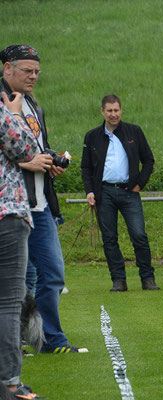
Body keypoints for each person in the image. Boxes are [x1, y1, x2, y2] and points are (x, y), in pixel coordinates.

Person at [1, 44, 85, 355]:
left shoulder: (34, 105)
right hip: (9, 206)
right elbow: (11, 151)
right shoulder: (1, 102)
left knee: (52, 274)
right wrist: (27, 163)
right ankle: (13, 342)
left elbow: (37, 146)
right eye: (27, 70)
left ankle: (50, 340)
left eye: (37, 71)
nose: (34, 76)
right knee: (14, 282)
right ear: (7, 68)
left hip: (40, 204)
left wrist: (50, 162)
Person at [81, 94, 159, 292]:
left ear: (121, 111)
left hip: (129, 191)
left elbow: (148, 160)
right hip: (104, 193)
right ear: (102, 112)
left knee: (139, 235)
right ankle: (118, 280)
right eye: (109, 111)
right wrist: (90, 191)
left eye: (116, 110)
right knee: (109, 238)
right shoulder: (92, 136)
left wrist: (140, 183)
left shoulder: (134, 131)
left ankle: (147, 278)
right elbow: (86, 168)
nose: (113, 114)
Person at [0, 89, 43, 398]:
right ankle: (11, 385)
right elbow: (27, 147)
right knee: (8, 304)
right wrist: (15, 113)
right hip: (7, 212)